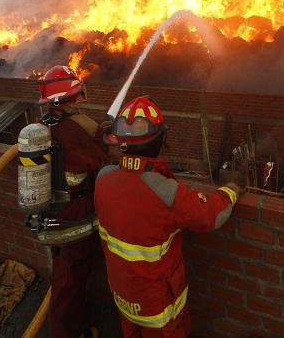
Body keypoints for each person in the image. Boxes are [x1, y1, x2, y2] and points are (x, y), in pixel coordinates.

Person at [94, 95, 241, 337]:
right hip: (158, 306)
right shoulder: (164, 192)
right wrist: (230, 191)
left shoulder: (104, 178)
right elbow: (210, 215)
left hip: (122, 296)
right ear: (159, 140)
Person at [37, 65, 111, 338]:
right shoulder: (76, 127)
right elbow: (97, 158)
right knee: (70, 280)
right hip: (72, 216)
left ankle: (76, 327)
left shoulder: (43, 125)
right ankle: (65, 333)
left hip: (50, 212)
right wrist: (104, 139)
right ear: (73, 96)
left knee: (66, 272)